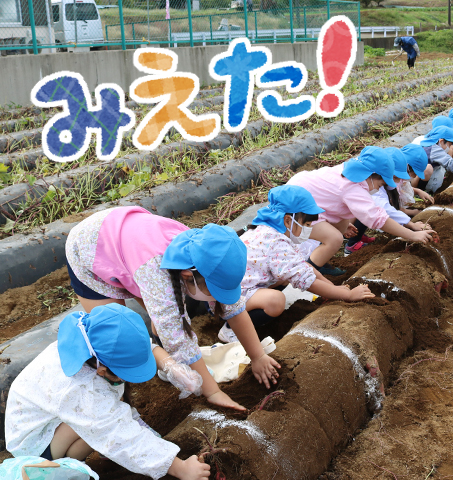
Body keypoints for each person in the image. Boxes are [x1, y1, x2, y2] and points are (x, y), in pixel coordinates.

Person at [65, 206, 280, 410]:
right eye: (215, 292)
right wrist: (213, 392)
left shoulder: (200, 252)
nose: (219, 299)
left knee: (162, 319)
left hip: (126, 240)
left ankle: (167, 365)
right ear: (188, 276)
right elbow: (177, 337)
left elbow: (232, 308)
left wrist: (257, 356)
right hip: (89, 250)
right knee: (115, 340)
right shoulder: (155, 273)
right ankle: (120, 406)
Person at [4, 304, 210, 480]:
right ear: (102, 370)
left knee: (106, 409)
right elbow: (118, 435)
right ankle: (65, 463)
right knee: (99, 430)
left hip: (49, 414)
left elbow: (136, 343)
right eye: (124, 374)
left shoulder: (90, 339)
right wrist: (182, 469)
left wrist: (172, 366)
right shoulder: (81, 390)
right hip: (34, 443)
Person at [217, 185, 375, 339]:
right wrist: (347, 295)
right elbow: (308, 282)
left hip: (238, 288)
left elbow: (305, 269)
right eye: (306, 225)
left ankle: (242, 316)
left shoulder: (275, 233)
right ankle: (232, 329)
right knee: (276, 302)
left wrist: (333, 289)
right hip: (225, 299)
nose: (308, 229)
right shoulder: (274, 242)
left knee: (285, 278)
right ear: (287, 220)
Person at [287, 146, 434, 275]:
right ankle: (308, 274)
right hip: (296, 203)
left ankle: (320, 260)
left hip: (303, 194)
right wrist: (412, 235)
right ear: (370, 176)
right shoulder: (352, 187)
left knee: (341, 226)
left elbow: (335, 203)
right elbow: (377, 219)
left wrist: (343, 226)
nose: (378, 188)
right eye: (380, 183)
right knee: (334, 238)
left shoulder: (351, 172)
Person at [345, 148, 431, 255]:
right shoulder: (371, 186)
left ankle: (356, 234)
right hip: (325, 219)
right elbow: (382, 210)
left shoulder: (374, 180)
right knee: (364, 212)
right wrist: (411, 226)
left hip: (343, 212)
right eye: (395, 177)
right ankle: (351, 246)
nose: (398, 181)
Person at [412, 125, 453, 193]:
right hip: (413, 179)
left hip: (414, 176)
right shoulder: (434, 149)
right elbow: (451, 163)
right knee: (430, 169)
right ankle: (422, 191)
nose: (449, 147)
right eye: (449, 144)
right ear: (441, 141)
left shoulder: (428, 143)